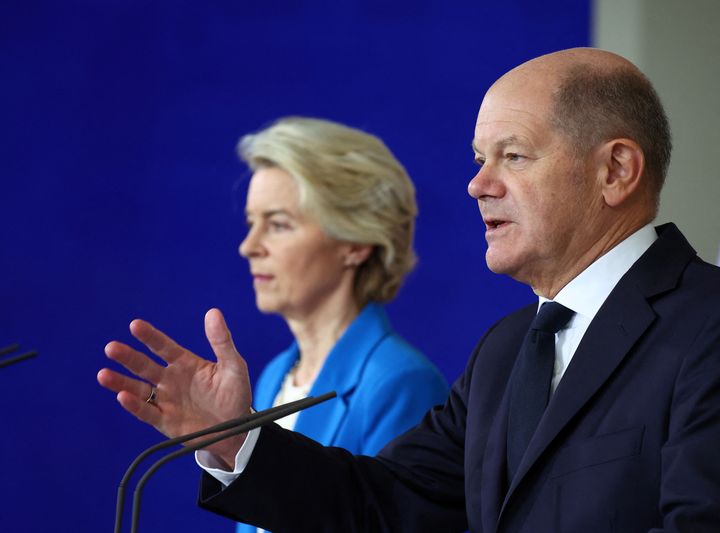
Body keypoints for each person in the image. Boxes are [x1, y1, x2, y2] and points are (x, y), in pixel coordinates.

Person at [98, 48, 720, 532]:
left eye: (513, 156)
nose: (478, 185)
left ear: (615, 170)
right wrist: (237, 439)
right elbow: (386, 506)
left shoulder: (706, 325)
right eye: (478, 158)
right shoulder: (505, 352)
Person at [99, 116, 449, 532]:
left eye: (278, 224)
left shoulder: (399, 383)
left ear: (355, 242)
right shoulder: (272, 377)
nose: (248, 246)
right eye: (251, 223)